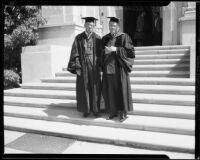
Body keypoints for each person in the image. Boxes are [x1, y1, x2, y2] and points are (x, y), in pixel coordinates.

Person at [101, 17, 135, 122]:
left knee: (121, 91)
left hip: (120, 68)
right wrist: (104, 52)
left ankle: (122, 113)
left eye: (114, 25)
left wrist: (116, 49)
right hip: (108, 69)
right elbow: (100, 53)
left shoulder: (124, 37)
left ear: (118, 27)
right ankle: (112, 111)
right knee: (110, 91)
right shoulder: (105, 38)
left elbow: (130, 52)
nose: (112, 27)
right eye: (110, 25)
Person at [67, 17, 102, 118]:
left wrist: (100, 66)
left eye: (91, 25)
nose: (90, 27)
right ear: (84, 25)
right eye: (88, 25)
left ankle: (96, 109)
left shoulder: (98, 38)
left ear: (93, 26)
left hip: (94, 65)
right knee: (84, 87)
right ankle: (86, 110)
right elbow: (75, 53)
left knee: (95, 87)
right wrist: (77, 66)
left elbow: (101, 53)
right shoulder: (78, 38)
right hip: (83, 66)